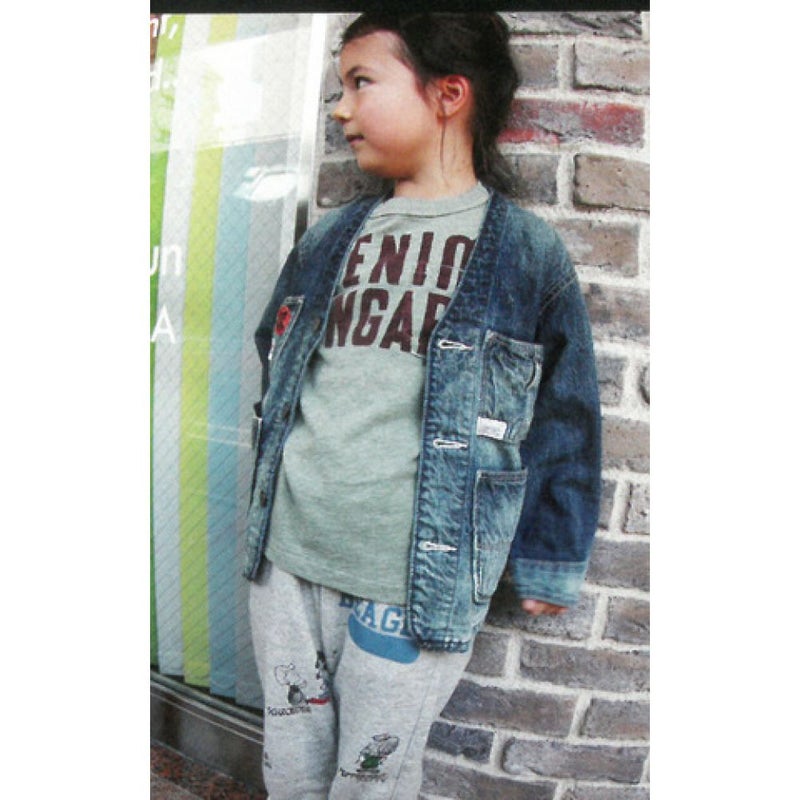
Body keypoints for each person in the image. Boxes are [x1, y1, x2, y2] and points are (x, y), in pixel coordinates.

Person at [244, 12, 601, 799]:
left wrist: (549, 555)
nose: (340, 109)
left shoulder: (525, 255)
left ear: (448, 94)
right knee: (291, 771)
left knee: (372, 779)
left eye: (360, 83)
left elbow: (566, 418)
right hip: (288, 564)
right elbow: (278, 355)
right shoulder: (329, 240)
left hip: (411, 582)